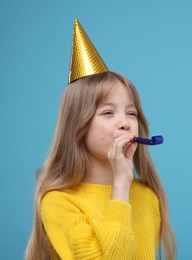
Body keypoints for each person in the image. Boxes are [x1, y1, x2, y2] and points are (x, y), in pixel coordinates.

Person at [25, 19, 176, 260]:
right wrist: (121, 185)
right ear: (78, 125)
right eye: (108, 112)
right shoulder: (59, 202)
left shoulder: (147, 196)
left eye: (131, 112)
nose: (125, 122)